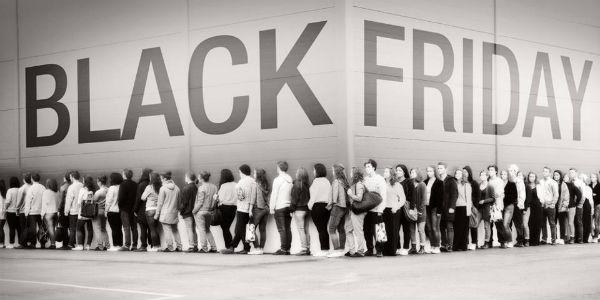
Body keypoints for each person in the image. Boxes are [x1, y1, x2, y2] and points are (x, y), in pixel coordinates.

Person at [221, 164, 255, 254]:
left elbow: (241, 197)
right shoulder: (253, 181)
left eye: (240, 172)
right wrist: (251, 208)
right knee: (242, 229)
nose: (239, 174)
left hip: (242, 208)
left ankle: (236, 247)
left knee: (240, 229)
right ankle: (240, 247)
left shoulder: (241, 182)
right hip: (250, 209)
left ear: (243, 172)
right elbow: (253, 197)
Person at [362, 159, 386, 257]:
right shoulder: (365, 179)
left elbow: (383, 195)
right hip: (367, 210)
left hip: (377, 209)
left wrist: (381, 209)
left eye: (369, 167)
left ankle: (380, 250)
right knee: (367, 230)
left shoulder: (380, 179)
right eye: (366, 167)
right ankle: (370, 249)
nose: (367, 169)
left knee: (380, 231)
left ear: (374, 168)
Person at [269, 161, 293, 255]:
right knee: (288, 228)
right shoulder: (290, 179)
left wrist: (272, 207)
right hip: (288, 206)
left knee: (281, 229)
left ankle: (283, 249)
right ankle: (287, 249)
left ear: (279, 168)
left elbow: (274, 194)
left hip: (279, 207)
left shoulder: (278, 179)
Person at [308, 163, 331, 256]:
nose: (313, 171)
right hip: (326, 207)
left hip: (317, 207)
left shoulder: (316, 181)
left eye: (314, 170)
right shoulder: (327, 181)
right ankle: (326, 249)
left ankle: (323, 250)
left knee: (320, 229)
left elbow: (313, 196)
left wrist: (309, 206)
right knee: (324, 229)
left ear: (317, 171)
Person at [155, 171, 182, 252]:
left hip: (165, 213)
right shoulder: (177, 188)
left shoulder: (163, 188)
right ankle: (179, 247)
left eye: (161, 179)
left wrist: (157, 214)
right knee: (175, 230)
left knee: (167, 230)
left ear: (165, 179)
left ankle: (170, 247)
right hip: (174, 212)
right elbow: (179, 201)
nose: (160, 180)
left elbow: (160, 203)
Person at [192, 171, 218, 253]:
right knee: (207, 229)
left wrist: (194, 211)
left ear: (202, 178)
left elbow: (200, 202)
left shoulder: (201, 188)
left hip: (201, 212)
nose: (198, 178)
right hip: (209, 212)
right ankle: (214, 247)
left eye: (199, 177)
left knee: (201, 230)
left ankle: (204, 247)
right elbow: (215, 200)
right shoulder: (214, 187)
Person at [328, 164, 349, 258]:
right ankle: (341, 249)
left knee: (331, 229)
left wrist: (330, 204)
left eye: (333, 170)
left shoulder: (336, 181)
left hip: (337, 207)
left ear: (336, 171)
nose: (332, 172)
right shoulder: (344, 181)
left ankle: (336, 250)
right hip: (344, 208)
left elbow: (335, 197)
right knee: (341, 229)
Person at [290, 167, 311, 256]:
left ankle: (303, 248)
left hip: (299, 210)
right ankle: (308, 248)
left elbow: (294, 199)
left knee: (301, 229)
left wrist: (291, 209)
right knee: (306, 230)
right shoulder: (307, 185)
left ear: (299, 175)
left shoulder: (297, 185)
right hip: (307, 210)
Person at [346, 167, 367, 257]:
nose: (350, 174)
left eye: (351, 172)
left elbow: (359, 198)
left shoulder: (359, 184)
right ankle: (351, 250)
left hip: (358, 211)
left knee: (358, 231)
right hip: (353, 210)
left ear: (355, 174)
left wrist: (350, 194)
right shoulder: (354, 184)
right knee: (348, 230)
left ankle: (361, 251)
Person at [249, 169, 270, 255]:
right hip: (266, 208)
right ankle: (261, 249)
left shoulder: (255, 184)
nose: (253, 174)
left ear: (258, 175)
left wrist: (250, 209)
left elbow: (253, 197)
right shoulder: (266, 184)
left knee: (251, 228)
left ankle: (257, 248)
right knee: (263, 230)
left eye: (254, 173)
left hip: (257, 208)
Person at [215, 169, 237, 251]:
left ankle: (229, 247)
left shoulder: (223, 186)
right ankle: (231, 247)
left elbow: (220, 198)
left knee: (225, 228)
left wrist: (215, 198)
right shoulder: (236, 185)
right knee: (226, 228)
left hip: (224, 208)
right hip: (234, 208)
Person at [383, 167, 402, 256]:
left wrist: (396, 207)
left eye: (386, 171)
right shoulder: (382, 183)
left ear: (391, 173)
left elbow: (402, 199)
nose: (384, 173)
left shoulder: (396, 185)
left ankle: (392, 250)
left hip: (393, 210)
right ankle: (384, 250)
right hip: (383, 209)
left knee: (393, 231)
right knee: (384, 230)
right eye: (384, 171)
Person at [118, 169, 138, 251]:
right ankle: (135, 245)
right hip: (133, 209)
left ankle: (127, 245)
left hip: (125, 209)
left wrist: (120, 206)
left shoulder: (123, 184)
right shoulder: (135, 184)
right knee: (134, 227)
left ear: (125, 175)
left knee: (126, 227)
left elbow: (121, 198)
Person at [439, 163, 458, 252]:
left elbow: (454, 195)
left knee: (449, 227)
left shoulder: (451, 180)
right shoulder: (438, 180)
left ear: (445, 169)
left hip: (449, 207)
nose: (439, 170)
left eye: (441, 168)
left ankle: (450, 245)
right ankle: (443, 244)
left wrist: (452, 207)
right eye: (438, 168)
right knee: (441, 227)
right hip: (440, 208)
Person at [141, 172, 162, 251]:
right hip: (158, 209)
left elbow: (143, 198)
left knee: (152, 229)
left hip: (150, 209)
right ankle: (159, 246)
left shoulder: (149, 187)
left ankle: (155, 246)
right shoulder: (161, 187)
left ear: (151, 178)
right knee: (156, 229)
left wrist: (148, 197)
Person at [73, 176, 96, 251]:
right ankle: (88, 245)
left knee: (79, 228)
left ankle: (80, 245)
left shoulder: (82, 190)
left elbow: (79, 202)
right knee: (90, 229)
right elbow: (90, 201)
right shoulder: (92, 190)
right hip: (90, 213)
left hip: (82, 213)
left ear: (85, 182)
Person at [395, 164, 413, 255]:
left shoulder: (409, 181)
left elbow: (412, 196)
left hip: (406, 208)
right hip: (396, 208)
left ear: (404, 172)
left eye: (400, 170)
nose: (398, 172)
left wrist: (412, 208)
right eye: (397, 170)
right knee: (396, 228)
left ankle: (406, 247)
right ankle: (397, 247)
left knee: (406, 229)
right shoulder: (394, 181)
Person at [538, 167, 559, 245]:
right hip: (542, 205)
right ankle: (544, 239)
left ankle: (553, 240)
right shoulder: (540, 182)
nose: (544, 173)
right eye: (543, 171)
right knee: (543, 223)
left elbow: (556, 194)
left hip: (550, 205)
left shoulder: (553, 182)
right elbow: (539, 193)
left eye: (546, 171)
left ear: (549, 173)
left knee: (552, 223)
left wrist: (553, 203)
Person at [425, 166, 443, 254]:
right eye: (427, 171)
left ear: (434, 172)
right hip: (426, 207)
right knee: (429, 228)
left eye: (430, 171)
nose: (429, 173)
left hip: (435, 208)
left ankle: (437, 246)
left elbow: (441, 198)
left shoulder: (439, 182)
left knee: (435, 227)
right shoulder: (425, 182)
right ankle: (432, 245)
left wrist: (439, 211)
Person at [133, 168, 153, 252]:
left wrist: (135, 210)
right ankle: (153, 245)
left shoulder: (141, 185)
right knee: (151, 228)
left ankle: (143, 246)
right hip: (151, 209)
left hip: (142, 210)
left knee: (143, 229)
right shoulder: (152, 184)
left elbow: (138, 199)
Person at [475, 170, 495, 249]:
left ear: (487, 176)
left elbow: (493, 199)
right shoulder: (478, 185)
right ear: (480, 176)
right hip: (479, 209)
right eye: (481, 175)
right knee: (475, 225)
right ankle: (475, 242)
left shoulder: (490, 186)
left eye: (484, 175)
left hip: (487, 209)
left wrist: (484, 201)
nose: (482, 176)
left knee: (487, 226)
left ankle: (486, 242)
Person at [500, 164, 518, 248]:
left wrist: (504, 197)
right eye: (501, 174)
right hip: (500, 207)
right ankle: (506, 241)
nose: (503, 175)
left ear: (507, 175)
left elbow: (514, 197)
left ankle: (510, 241)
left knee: (505, 224)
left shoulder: (512, 184)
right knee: (502, 225)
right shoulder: (499, 184)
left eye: (504, 174)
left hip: (509, 206)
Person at [180, 172, 199, 252]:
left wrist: (181, 211)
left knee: (189, 229)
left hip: (187, 212)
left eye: (185, 177)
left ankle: (191, 246)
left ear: (187, 178)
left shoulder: (186, 188)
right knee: (193, 229)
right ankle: (195, 245)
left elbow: (184, 202)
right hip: (195, 212)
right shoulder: (196, 187)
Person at [487, 165, 504, 247]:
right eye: (489, 170)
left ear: (496, 171)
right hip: (488, 205)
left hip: (497, 204)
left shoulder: (499, 181)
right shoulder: (487, 180)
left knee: (499, 224)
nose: (490, 171)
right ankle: (489, 242)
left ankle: (502, 242)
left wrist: (491, 197)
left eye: (492, 170)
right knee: (489, 224)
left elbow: (498, 193)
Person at [454, 169, 471, 251]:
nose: (457, 174)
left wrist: (468, 211)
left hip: (463, 208)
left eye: (459, 173)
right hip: (455, 207)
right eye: (456, 173)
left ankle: (463, 246)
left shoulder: (466, 185)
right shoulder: (454, 183)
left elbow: (468, 199)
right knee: (457, 227)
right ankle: (457, 245)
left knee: (463, 228)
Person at [411, 169, 428, 254]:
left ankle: (422, 247)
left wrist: (420, 211)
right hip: (411, 211)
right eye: (411, 172)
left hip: (421, 211)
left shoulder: (422, 184)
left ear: (418, 174)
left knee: (421, 230)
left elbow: (424, 200)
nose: (412, 174)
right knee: (412, 229)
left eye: (414, 172)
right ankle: (413, 247)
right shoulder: (410, 184)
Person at [105, 172, 123, 251]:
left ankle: (115, 246)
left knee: (114, 229)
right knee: (119, 228)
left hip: (112, 211)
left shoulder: (112, 188)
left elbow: (109, 200)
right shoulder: (122, 187)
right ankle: (120, 245)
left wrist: (106, 210)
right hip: (120, 211)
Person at [92, 176, 109, 251]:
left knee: (97, 229)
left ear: (99, 182)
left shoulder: (99, 192)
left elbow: (93, 201)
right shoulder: (108, 190)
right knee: (103, 229)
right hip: (105, 212)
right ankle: (107, 245)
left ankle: (100, 246)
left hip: (97, 211)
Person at [41, 178, 60, 249]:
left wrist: (42, 214)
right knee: (53, 229)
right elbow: (59, 203)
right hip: (55, 213)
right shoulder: (57, 192)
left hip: (49, 213)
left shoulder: (46, 192)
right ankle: (53, 243)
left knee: (50, 230)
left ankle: (52, 244)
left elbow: (44, 204)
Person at [15, 173, 32, 248]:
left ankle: (23, 244)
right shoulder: (32, 187)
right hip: (31, 211)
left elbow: (20, 200)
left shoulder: (22, 188)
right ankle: (29, 242)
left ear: (24, 180)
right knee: (29, 227)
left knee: (23, 227)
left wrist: (17, 208)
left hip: (23, 211)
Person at [527, 172, 543, 246]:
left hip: (537, 206)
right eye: (530, 176)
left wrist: (542, 202)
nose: (531, 178)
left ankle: (536, 241)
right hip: (529, 207)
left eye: (533, 176)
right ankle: (530, 240)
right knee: (530, 223)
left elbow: (542, 195)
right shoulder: (527, 185)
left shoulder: (539, 185)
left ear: (535, 177)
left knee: (537, 223)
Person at [564, 171, 580, 244]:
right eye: (564, 177)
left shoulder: (572, 185)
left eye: (566, 177)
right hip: (563, 206)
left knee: (570, 222)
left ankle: (572, 237)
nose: (565, 178)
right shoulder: (562, 185)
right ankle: (566, 237)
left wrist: (576, 203)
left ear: (569, 178)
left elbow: (579, 194)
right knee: (565, 223)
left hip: (571, 206)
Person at [554, 170, 570, 244]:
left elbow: (566, 196)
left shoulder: (563, 185)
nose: (556, 176)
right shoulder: (552, 183)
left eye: (557, 175)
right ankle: (555, 238)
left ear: (560, 176)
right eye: (555, 175)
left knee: (561, 223)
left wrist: (564, 206)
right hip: (553, 207)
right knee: (553, 223)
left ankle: (562, 238)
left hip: (561, 207)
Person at [4, 177, 20, 248]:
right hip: (19, 212)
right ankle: (20, 243)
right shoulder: (20, 190)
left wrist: (5, 209)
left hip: (10, 212)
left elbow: (8, 201)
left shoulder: (10, 191)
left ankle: (11, 243)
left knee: (12, 228)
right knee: (19, 228)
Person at [513, 169, 527, 247]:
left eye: (520, 175)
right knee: (516, 223)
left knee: (519, 224)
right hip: (513, 205)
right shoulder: (514, 181)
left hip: (518, 205)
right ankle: (519, 240)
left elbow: (523, 196)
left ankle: (521, 241)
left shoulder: (521, 183)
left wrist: (520, 205)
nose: (519, 176)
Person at [57, 172, 71, 249]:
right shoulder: (71, 185)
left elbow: (61, 200)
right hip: (71, 209)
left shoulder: (63, 187)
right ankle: (70, 243)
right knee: (70, 227)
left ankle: (65, 244)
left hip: (63, 209)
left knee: (64, 227)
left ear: (65, 178)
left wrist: (59, 209)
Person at [580, 174, 593, 243]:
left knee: (586, 221)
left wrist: (592, 208)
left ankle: (586, 238)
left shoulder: (588, 188)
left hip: (586, 204)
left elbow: (591, 199)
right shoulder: (578, 186)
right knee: (580, 221)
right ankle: (580, 237)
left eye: (581, 178)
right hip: (580, 204)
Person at [591, 173, 600, 243]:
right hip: (591, 205)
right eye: (591, 177)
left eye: (593, 177)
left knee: (596, 221)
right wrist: (593, 195)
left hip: (597, 205)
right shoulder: (589, 185)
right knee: (590, 222)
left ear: (596, 178)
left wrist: (594, 196)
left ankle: (596, 236)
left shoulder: (599, 185)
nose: (592, 178)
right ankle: (592, 235)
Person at [0, 180, 6, 248]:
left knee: (0, 228)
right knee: (1, 228)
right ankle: (2, 243)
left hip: (0, 213)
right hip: (4, 214)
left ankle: (1, 243)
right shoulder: (5, 193)